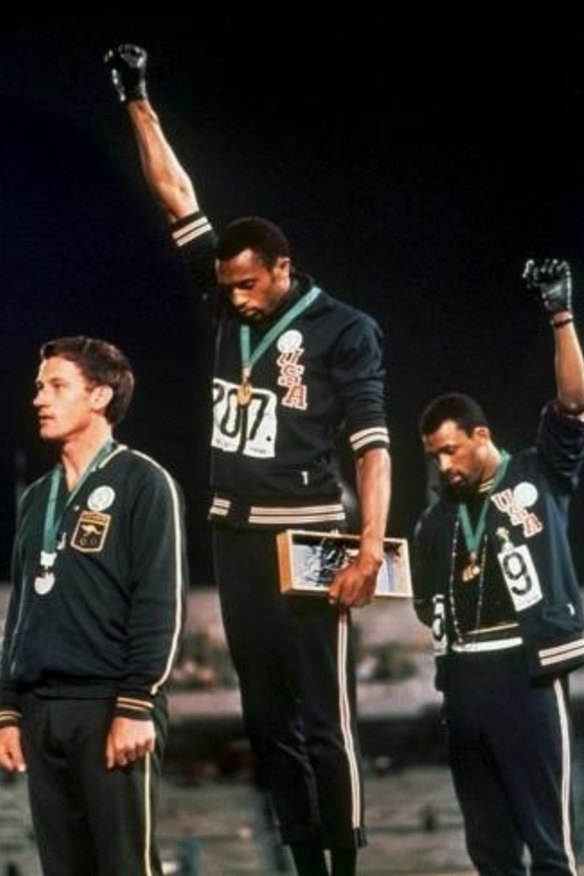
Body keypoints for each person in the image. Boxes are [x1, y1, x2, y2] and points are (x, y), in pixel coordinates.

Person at [104, 44, 391, 876]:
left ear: (284, 269)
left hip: (308, 536)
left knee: (324, 717)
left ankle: (343, 864)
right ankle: (303, 860)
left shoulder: (346, 330)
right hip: (234, 534)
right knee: (265, 720)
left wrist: (370, 546)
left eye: (249, 286)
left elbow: (371, 444)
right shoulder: (226, 291)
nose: (233, 298)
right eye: (227, 286)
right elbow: (177, 199)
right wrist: (137, 99)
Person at [412, 258, 584, 875]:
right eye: (435, 456)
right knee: (488, 849)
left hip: (526, 673)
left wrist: (560, 313)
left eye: (452, 450)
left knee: (549, 845)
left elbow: (573, 402)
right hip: (461, 682)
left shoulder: (540, 472)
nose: (444, 466)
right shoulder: (434, 522)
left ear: (481, 435)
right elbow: (419, 599)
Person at [0, 336, 188, 876]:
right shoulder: (37, 497)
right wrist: (10, 708)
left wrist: (137, 703)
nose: (39, 398)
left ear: (100, 396)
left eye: (57, 386)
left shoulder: (145, 483)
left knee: (126, 866)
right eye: (39, 387)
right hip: (41, 711)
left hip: (111, 708)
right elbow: (21, 609)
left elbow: (160, 603)